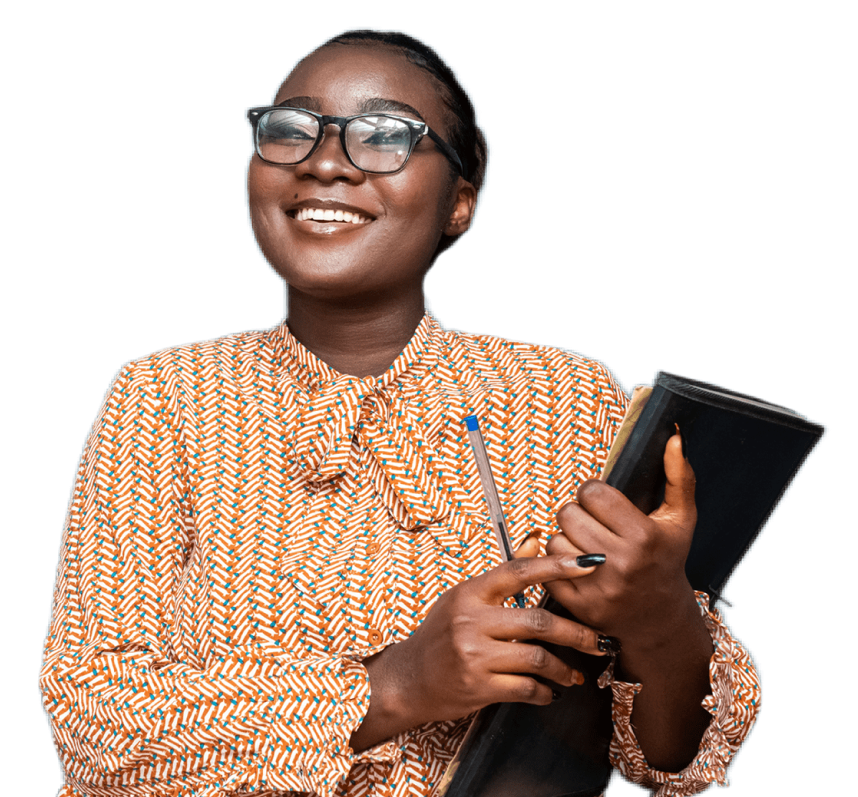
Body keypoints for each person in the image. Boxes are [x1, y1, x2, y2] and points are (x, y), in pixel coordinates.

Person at [39, 28, 761, 797]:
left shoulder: (565, 397)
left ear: (459, 200)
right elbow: (92, 725)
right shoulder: (165, 400)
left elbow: (673, 761)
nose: (323, 160)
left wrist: (659, 619)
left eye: (384, 135)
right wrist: (395, 687)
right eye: (290, 129)